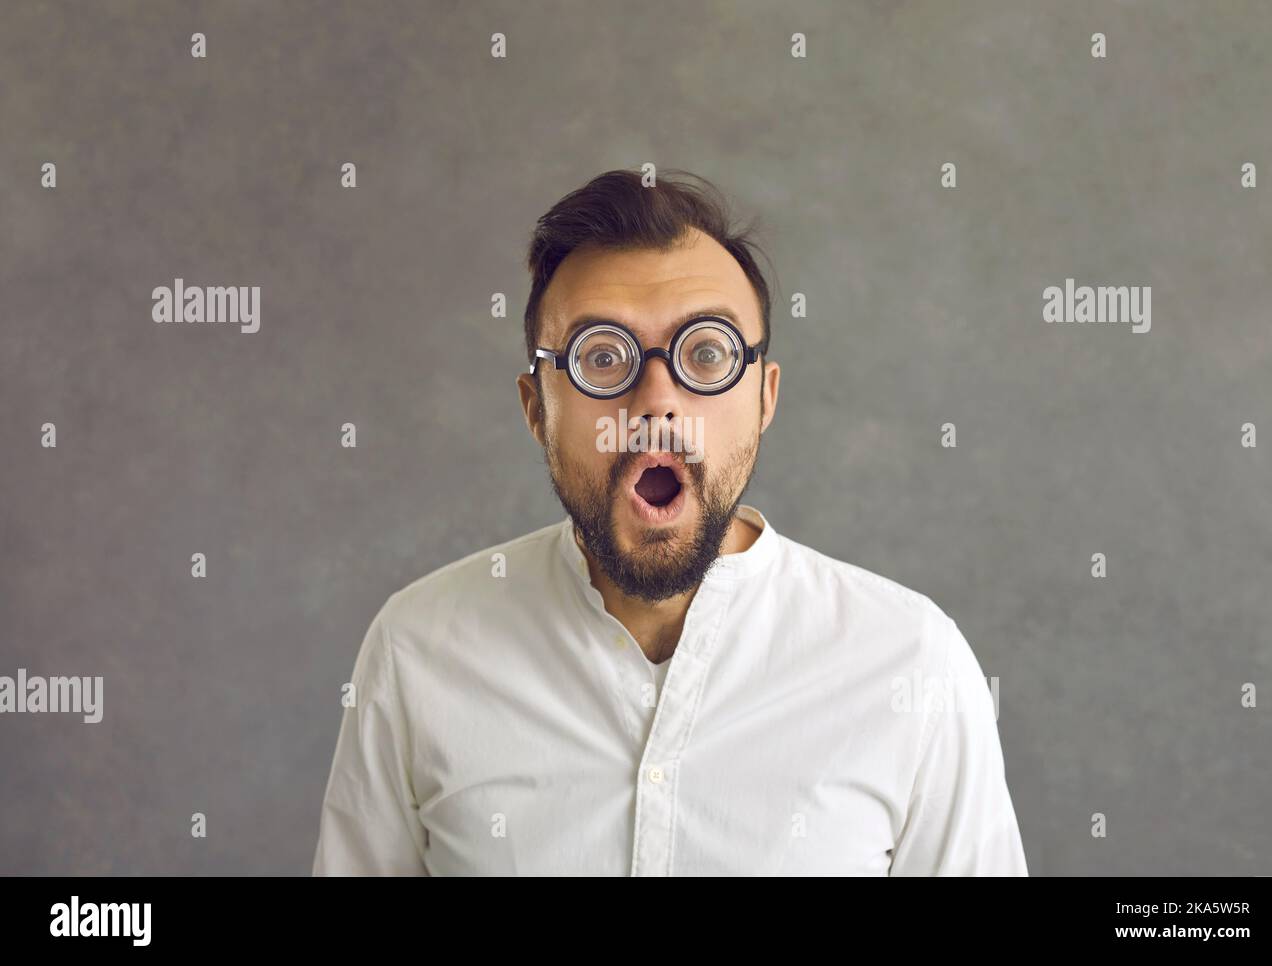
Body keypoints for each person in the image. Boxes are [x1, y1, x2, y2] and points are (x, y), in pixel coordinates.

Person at [311, 168, 1029, 875]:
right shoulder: (419, 650)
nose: (656, 403)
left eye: (706, 353)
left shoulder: (910, 661)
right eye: (601, 358)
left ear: (763, 397)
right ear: (536, 409)